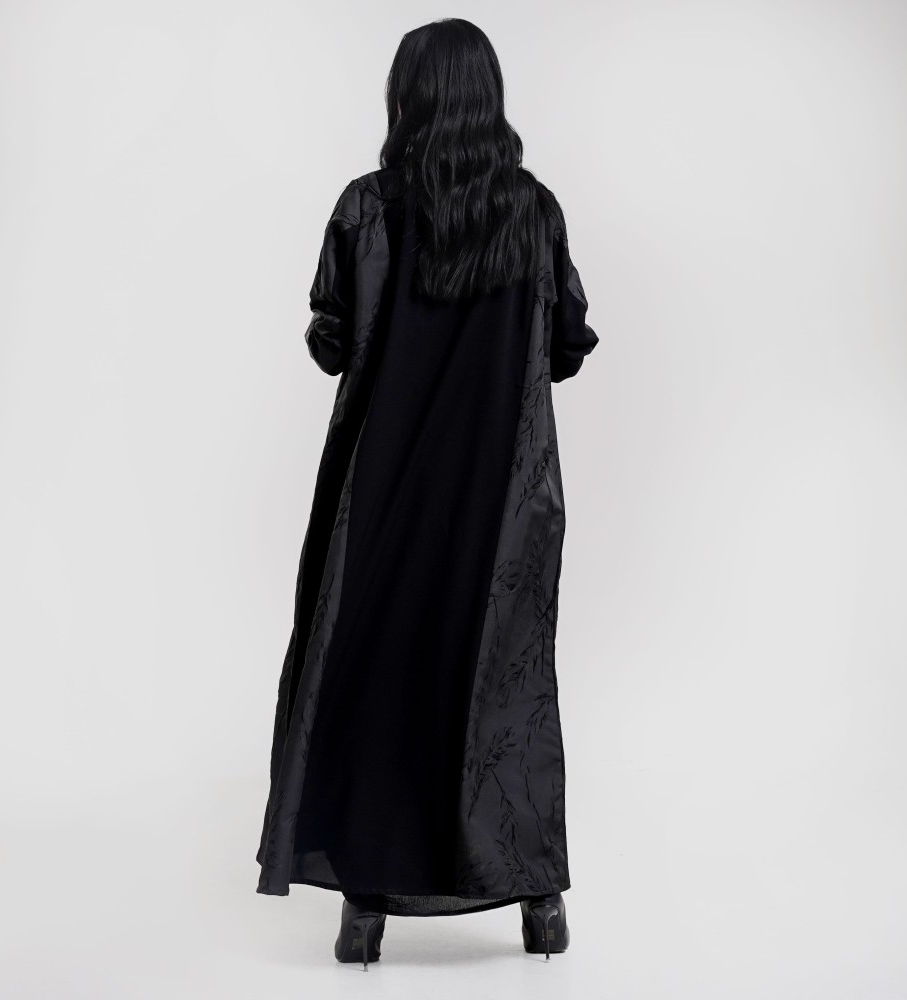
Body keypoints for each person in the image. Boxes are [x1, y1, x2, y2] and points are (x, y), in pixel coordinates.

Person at [255, 17, 599, 968]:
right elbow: (567, 346)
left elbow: (331, 341)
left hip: (386, 498)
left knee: (380, 684)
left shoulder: (369, 210)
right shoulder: (533, 212)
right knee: (503, 693)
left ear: (406, 98)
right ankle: (540, 906)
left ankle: (365, 911)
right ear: (489, 99)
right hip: (504, 507)